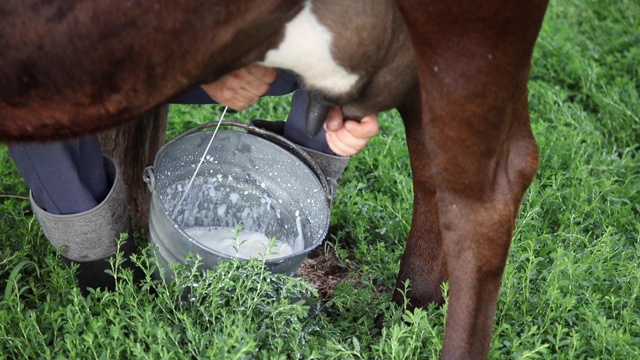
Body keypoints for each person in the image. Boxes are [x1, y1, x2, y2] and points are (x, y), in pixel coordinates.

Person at [9, 64, 379, 294]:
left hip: (265, 49)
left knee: (351, 36)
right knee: (33, 74)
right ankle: (106, 276)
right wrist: (195, 64)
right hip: (130, 52)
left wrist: (343, 122)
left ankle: (302, 181)